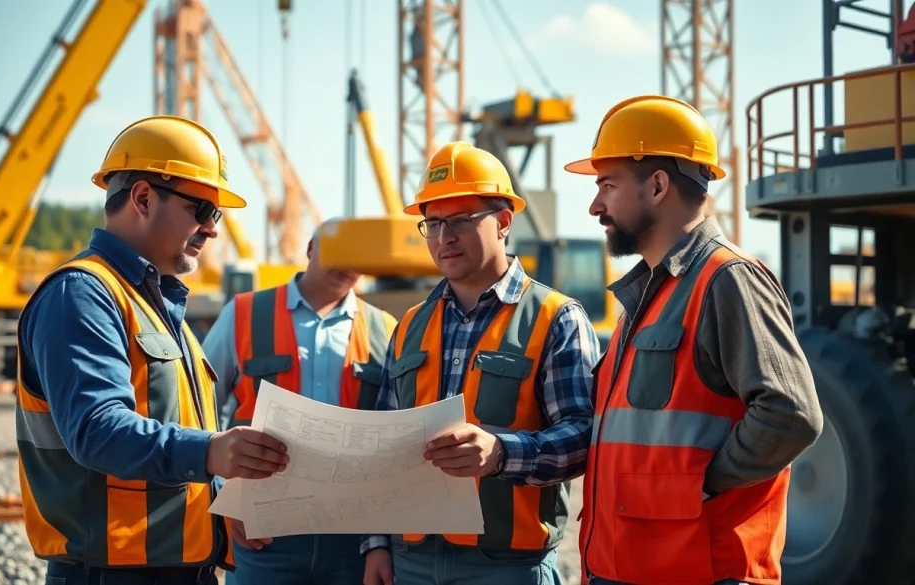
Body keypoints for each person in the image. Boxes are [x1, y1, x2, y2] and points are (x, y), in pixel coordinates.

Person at [15, 115, 291, 585]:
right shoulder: (83, 294)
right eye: (201, 209)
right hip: (111, 573)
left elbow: (173, 435)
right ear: (143, 198)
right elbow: (97, 430)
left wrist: (221, 504)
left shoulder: (156, 304)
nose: (212, 229)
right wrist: (213, 453)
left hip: (180, 566)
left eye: (216, 215)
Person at [564, 95, 824, 585]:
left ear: (658, 185)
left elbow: (791, 415)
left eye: (607, 184)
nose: (595, 205)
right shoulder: (646, 296)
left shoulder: (729, 280)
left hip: (701, 570)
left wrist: (697, 486)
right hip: (627, 567)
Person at [361, 141, 601, 585]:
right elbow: (384, 440)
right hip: (409, 561)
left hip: (507, 566)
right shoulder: (411, 324)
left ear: (504, 222)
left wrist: (501, 454)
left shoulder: (556, 318)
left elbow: (585, 437)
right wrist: (376, 541)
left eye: (460, 221)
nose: (443, 238)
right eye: (431, 224)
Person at [202, 220, 399, 585]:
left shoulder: (385, 329)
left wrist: (379, 541)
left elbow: (391, 441)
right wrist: (225, 497)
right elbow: (196, 409)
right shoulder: (243, 313)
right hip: (263, 529)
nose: (346, 265)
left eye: (356, 257)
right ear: (310, 248)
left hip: (352, 536)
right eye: (337, 252)